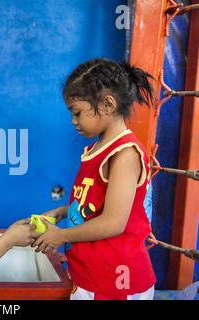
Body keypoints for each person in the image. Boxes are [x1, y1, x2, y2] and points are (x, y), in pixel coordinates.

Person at [32, 58, 157, 300]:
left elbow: (113, 222)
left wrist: (61, 235)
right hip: (92, 274)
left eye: (77, 112)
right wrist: (63, 211)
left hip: (115, 280)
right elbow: (94, 206)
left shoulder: (124, 155)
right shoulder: (96, 150)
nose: (73, 121)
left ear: (108, 104)